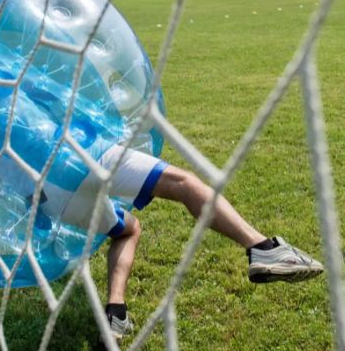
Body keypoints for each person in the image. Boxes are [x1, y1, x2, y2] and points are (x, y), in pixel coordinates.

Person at [54, 145, 325, 341]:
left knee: (128, 229)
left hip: (51, 195)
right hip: (83, 148)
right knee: (183, 182)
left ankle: (116, 314)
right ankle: (263, 248)